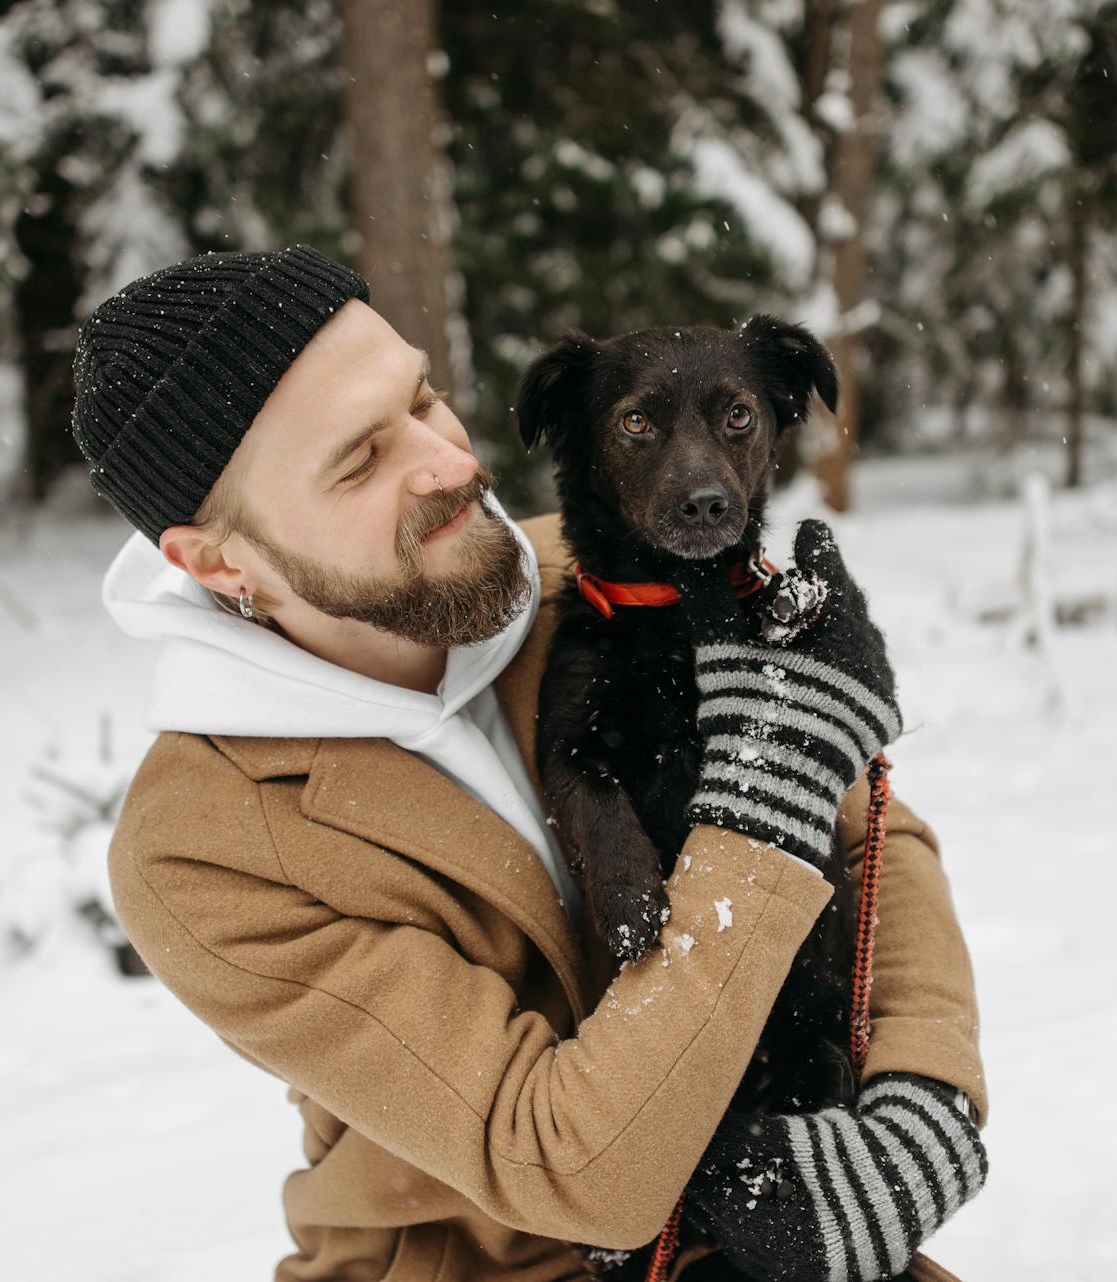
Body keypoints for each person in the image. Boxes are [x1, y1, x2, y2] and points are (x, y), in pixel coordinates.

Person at [73, 245, 989, 1282]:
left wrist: (923, 1092)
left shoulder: (609, 572)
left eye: (423, 400)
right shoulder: (203, 844)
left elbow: (870, 834)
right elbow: (575, 1170)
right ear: (217, 560)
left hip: (775, 1221)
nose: (451, 463)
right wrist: (766, 796)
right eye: (360, 460)